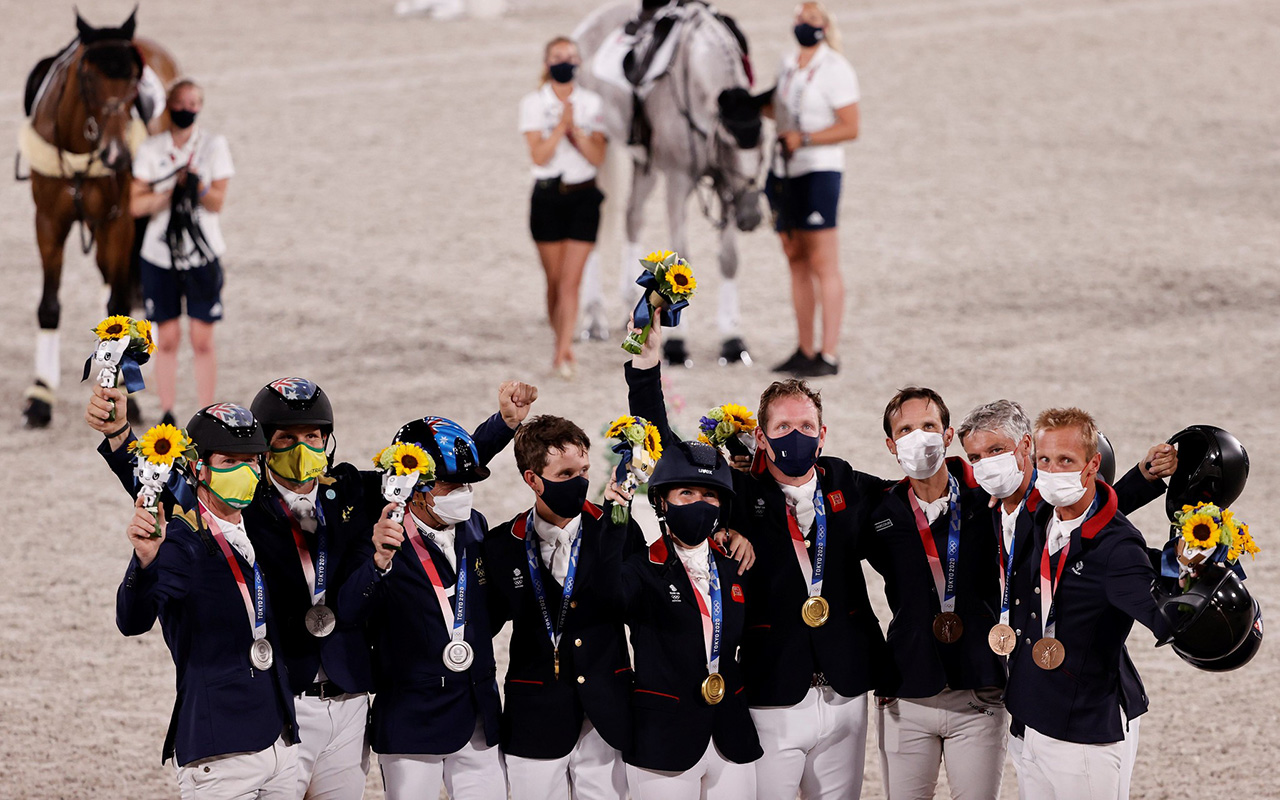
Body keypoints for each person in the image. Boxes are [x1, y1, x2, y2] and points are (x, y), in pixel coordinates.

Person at [89, 378, 538, 800]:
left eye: (313, 437)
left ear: (327, 440)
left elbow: (432, 470)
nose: (302, 448)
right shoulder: (241, 502)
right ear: (264, 445)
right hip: (283, 702)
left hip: (348, 698)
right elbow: (164, 487)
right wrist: (119, 436)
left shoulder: (351, 490)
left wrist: (502, 426)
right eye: (286, 438)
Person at [624, 316, 891, 800]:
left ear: (823, 434)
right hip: (772, 694)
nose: (796, 435)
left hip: (846, 692)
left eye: (805, 426)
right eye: (783, 426)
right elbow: (667, 450)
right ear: (761, 438)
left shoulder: (846, 483)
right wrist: (645, 367)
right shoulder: (738, 496)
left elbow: (914, 500)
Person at [956, 399, 1177, 799]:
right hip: (1030, 707)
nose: (987, 464)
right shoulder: (1000, 510)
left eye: (996, 450)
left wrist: (1189, 562)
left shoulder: (1051, 508)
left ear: (1023, 447)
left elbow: (1097, 517)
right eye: (975, 457)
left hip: (1087, 713)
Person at [116, 403, 298, 797]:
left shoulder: (257, 525)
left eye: (251, 461)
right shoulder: (180, 542)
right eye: (230, 461)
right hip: (222, 752)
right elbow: (132, 621)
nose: (245, 472)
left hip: (280, 742)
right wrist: (145, 562)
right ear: (198, 469)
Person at [339, 416, 515, 800]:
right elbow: (348, 613)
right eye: (452, 486)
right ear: (416, 488)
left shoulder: (475, 525)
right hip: (413, 723)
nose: (464, 493)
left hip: (478, 716)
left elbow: (481, 611)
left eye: (467, 484)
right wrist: (378, 563)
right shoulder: (380, 538)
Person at [484, 415, 643, 800]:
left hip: (607, 713)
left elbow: (638, 614)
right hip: (534, 715)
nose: (580, 481)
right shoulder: (501, 545)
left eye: (584, 470)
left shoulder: (617, 529)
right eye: (566, 474)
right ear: (532, 479)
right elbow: (482, 624)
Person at [862, 388, 1009, 800]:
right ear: (891, 445)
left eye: (928, 426)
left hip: (979, 690)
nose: (918, 437)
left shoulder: (987, 501)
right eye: (905, 429)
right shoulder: (880, 512)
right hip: (907, 693)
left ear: (947, 435)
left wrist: (1144, 478)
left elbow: (1070, 513)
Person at [601, 439, 761, 798]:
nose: (699, 503)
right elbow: (607, 595)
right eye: (686, 493)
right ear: (662, 501)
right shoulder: (641, 569)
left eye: (709, 495)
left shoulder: (734, 565)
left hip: (731, 735)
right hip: (663, 739)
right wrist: (615, 515)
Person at [761, 2, 860, 378]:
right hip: (784, 169)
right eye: (800, 17)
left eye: (812, 18)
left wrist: (804, 138)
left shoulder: (836, 68)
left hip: (819, 170)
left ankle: (828, 353)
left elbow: (850, 126)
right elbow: (781, 108)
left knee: (823, 260)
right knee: (795, 257)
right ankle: (804, 348)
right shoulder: (788, 63)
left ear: (825, 25)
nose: (804, 23)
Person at [130, 78, 234, 425]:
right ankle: (167, 411)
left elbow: (217, 202)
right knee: (168, 337)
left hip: (202, 254)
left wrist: (198, 187)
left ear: (200, 107)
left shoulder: (214, 146)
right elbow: (135, 204)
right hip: (160, 256)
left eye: (192, 103)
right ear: (169, 106)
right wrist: (166, 193)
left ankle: (207, 413)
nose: (186, 109)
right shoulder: (152, 149)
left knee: (202, 339)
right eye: (180, 103)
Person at [519, 37, 608, 380]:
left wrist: (576, 132)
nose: (565, 62)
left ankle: (562, 351)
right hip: (547, 197)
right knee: (554, 281)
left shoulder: (592, 103)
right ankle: (561, 340)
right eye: (558, 56)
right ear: (547, 63)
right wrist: (561, 126)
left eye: (571, 56)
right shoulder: (533, 104)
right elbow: (539, 155)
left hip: (583, 196)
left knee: (571, 281)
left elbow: (597, 156)